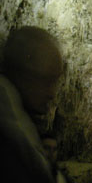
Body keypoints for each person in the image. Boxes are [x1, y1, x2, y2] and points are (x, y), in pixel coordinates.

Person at [0, 26, 64, 183]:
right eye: (45, 81)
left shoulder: (22, 117)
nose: (52, 94)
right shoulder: (11, 133)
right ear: (21, 74)